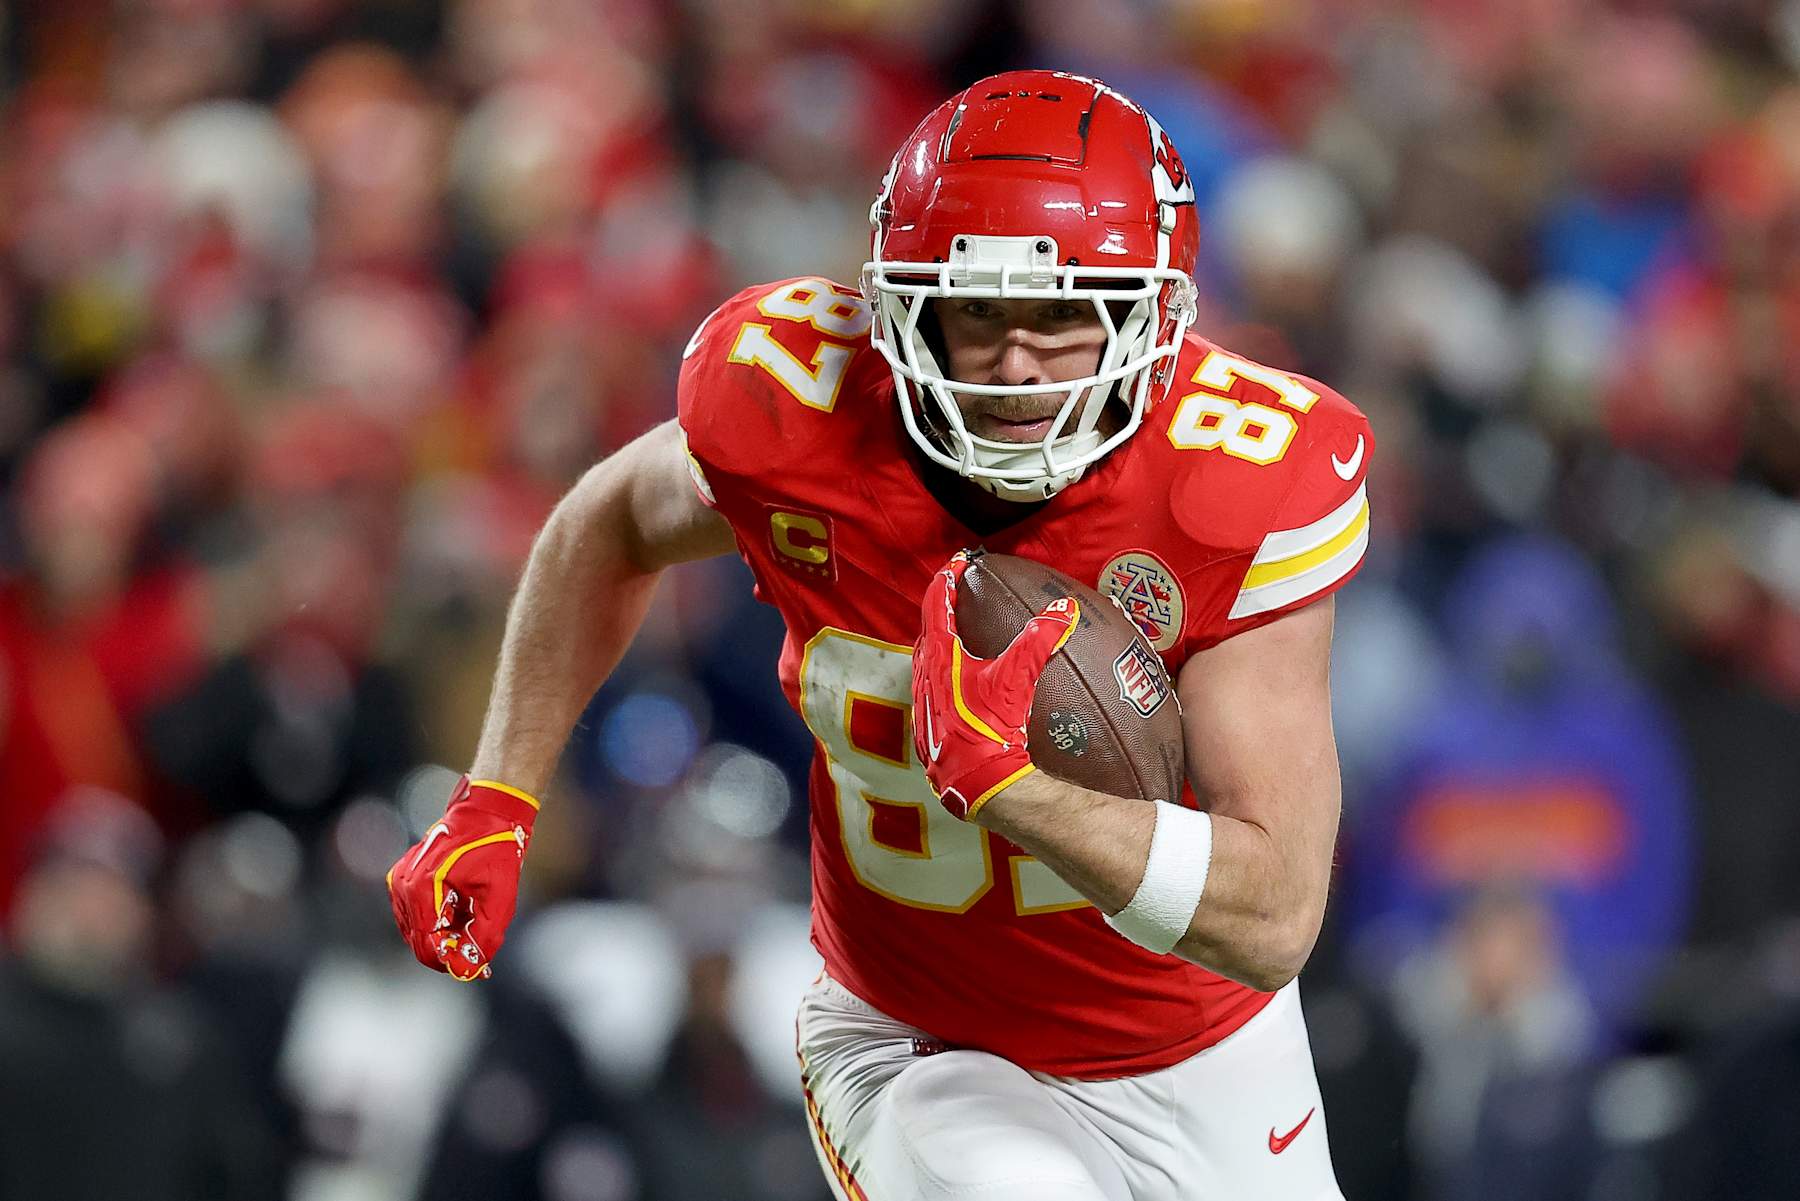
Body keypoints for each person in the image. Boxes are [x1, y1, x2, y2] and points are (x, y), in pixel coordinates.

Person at [388, 69, 1373, 1201]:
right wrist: (497, 798)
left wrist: (1010, 788)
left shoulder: (1232, 482)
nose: (1015, 364)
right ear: (902, 301)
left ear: (1152, 314)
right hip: (919, 1039)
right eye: (976, 312)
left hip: (1203, 1043)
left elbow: (1274, 912)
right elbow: (607, 522)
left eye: (1061, 316)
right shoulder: (797, 412)